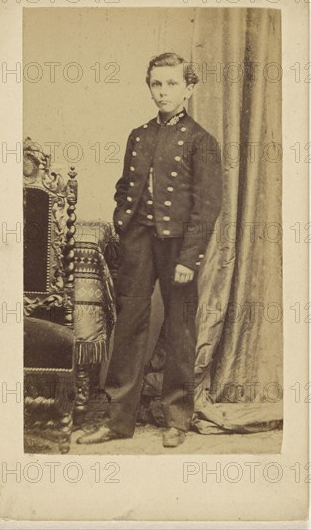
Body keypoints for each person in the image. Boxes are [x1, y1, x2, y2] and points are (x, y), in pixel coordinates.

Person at [77, 52, 222, 447]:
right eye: (156, 84)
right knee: (129, 325)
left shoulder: (202, 141)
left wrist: (190, 259)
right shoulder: (138, 135)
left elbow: (208, 207)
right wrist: (124, 225)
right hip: (139, 239)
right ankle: (117, 421)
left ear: (189, 88)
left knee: (180, 328)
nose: (162, 92)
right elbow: (126, 186)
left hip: (179, 245)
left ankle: (177, 418)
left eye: (171, 84)